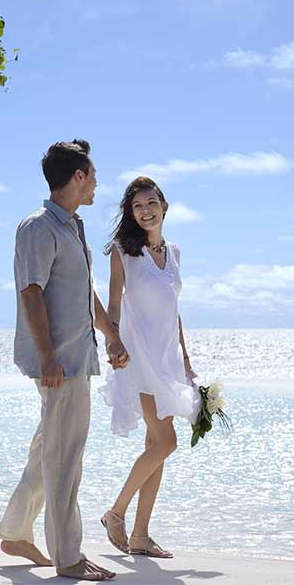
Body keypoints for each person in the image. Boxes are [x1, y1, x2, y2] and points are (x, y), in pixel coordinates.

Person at [0, 139, 130, 581]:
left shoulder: (73, 226)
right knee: (65, 459)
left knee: (47, 451)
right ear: (77, 177)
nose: (96, 184)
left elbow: (82, 293)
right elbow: (30, 291)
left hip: (77, 356)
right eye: (92, 175)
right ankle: (68, 556)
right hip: (59, 364)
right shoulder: (38, 227)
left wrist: (110, 336)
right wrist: (49, 358)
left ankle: (16, 531)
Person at [97, 175, 201, 559]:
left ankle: (140, 536)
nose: (145, 210)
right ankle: (115, 513)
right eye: (137, 206)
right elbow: (112, 305)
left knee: (156, 446)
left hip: (168, 359)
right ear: (131, 211)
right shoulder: (122, 252)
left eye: (150, 203)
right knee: (166, 443)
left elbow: (174, 313)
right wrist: (113, 341)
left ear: (164, 206)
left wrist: (187, 361)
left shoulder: (173, 252)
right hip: (138, 356)